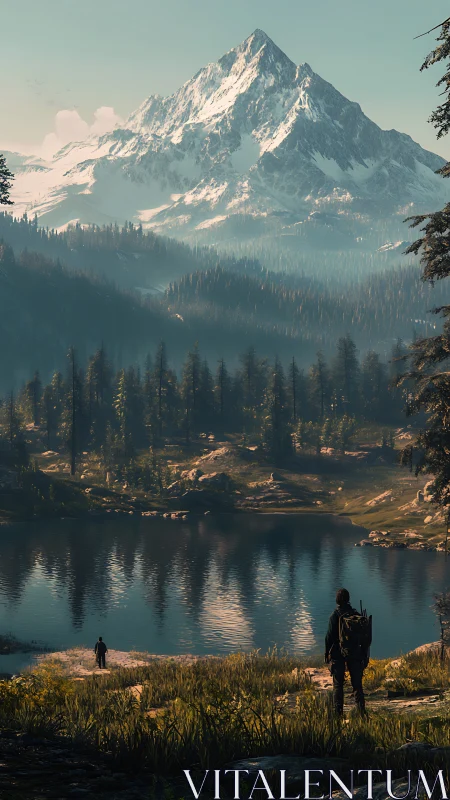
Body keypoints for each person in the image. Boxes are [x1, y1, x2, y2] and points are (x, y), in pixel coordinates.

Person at [324, 588, 368, 716]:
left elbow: (329, 637)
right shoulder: (356, 615)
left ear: (337, 600)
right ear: (348, 599)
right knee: (357, 685)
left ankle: (338, 714)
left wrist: (327, 653)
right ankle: (361, 712)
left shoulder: (335, 615)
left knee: (338, 685)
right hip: (355, 653)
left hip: (338, 654)